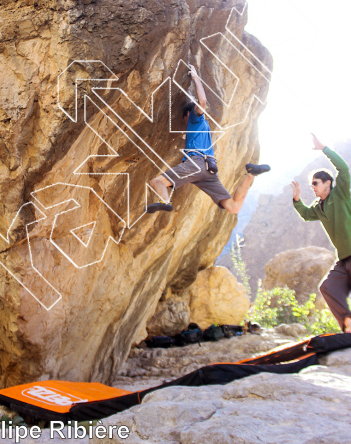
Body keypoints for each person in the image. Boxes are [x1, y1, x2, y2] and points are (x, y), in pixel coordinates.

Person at [146, 64, 270, 216]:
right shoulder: (203, 128)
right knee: (233, 207)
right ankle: (250, 175)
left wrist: (195, 77)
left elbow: (202, 101)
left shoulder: (194, 119)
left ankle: (165, 202)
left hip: (197, 164)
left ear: (187, 115)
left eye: (183, 119)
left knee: (156, 182)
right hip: (208, 170)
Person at [291, 133, 351, 333]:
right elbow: (307, 215)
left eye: (316, 183)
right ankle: (348, 324)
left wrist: (324, 148)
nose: (313, 188)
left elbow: (343, 168)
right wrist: (297, 200)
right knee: (328, 287)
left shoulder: (340, 193)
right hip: (343, 259)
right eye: (312, 185)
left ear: (327, 183)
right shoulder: (319, 206)